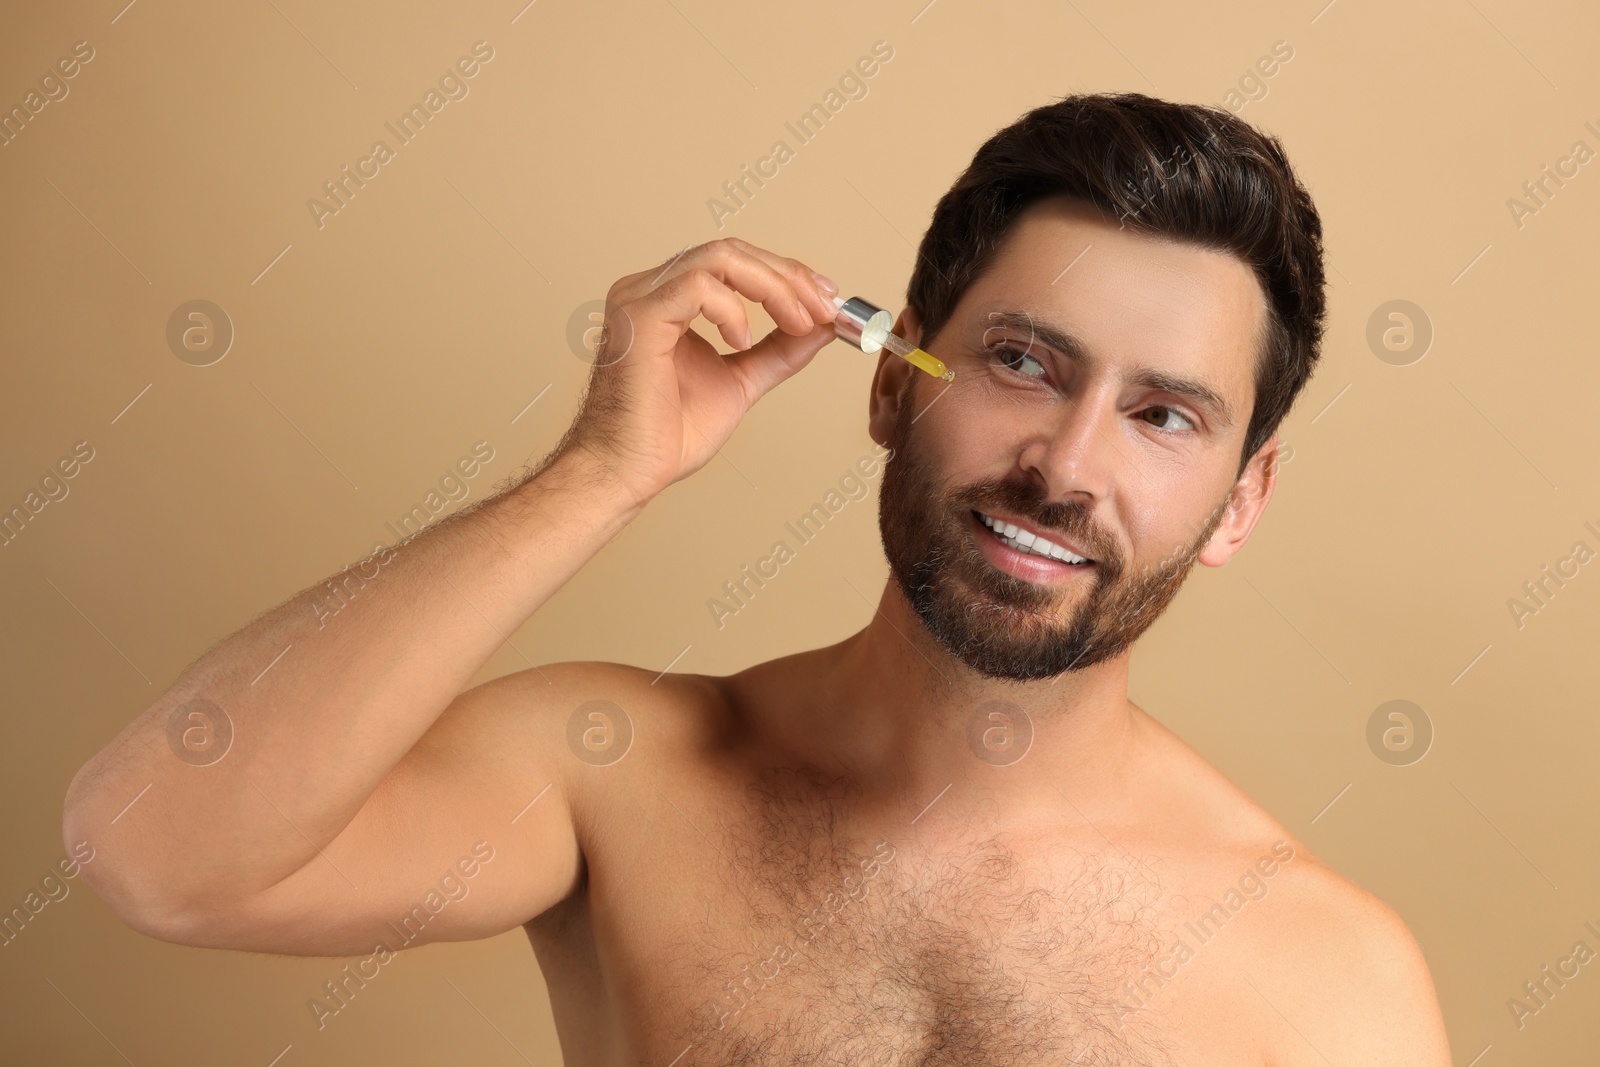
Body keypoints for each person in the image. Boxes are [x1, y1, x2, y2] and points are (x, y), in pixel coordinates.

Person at [64, 92, 1451, 1064]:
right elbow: (158, 855)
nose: (1066, 466)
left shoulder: (1331, 977)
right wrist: (600, 473)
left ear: (1239, 500)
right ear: (894, 380)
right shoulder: (618, 772)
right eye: (1023, 362)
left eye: (1164, 416)